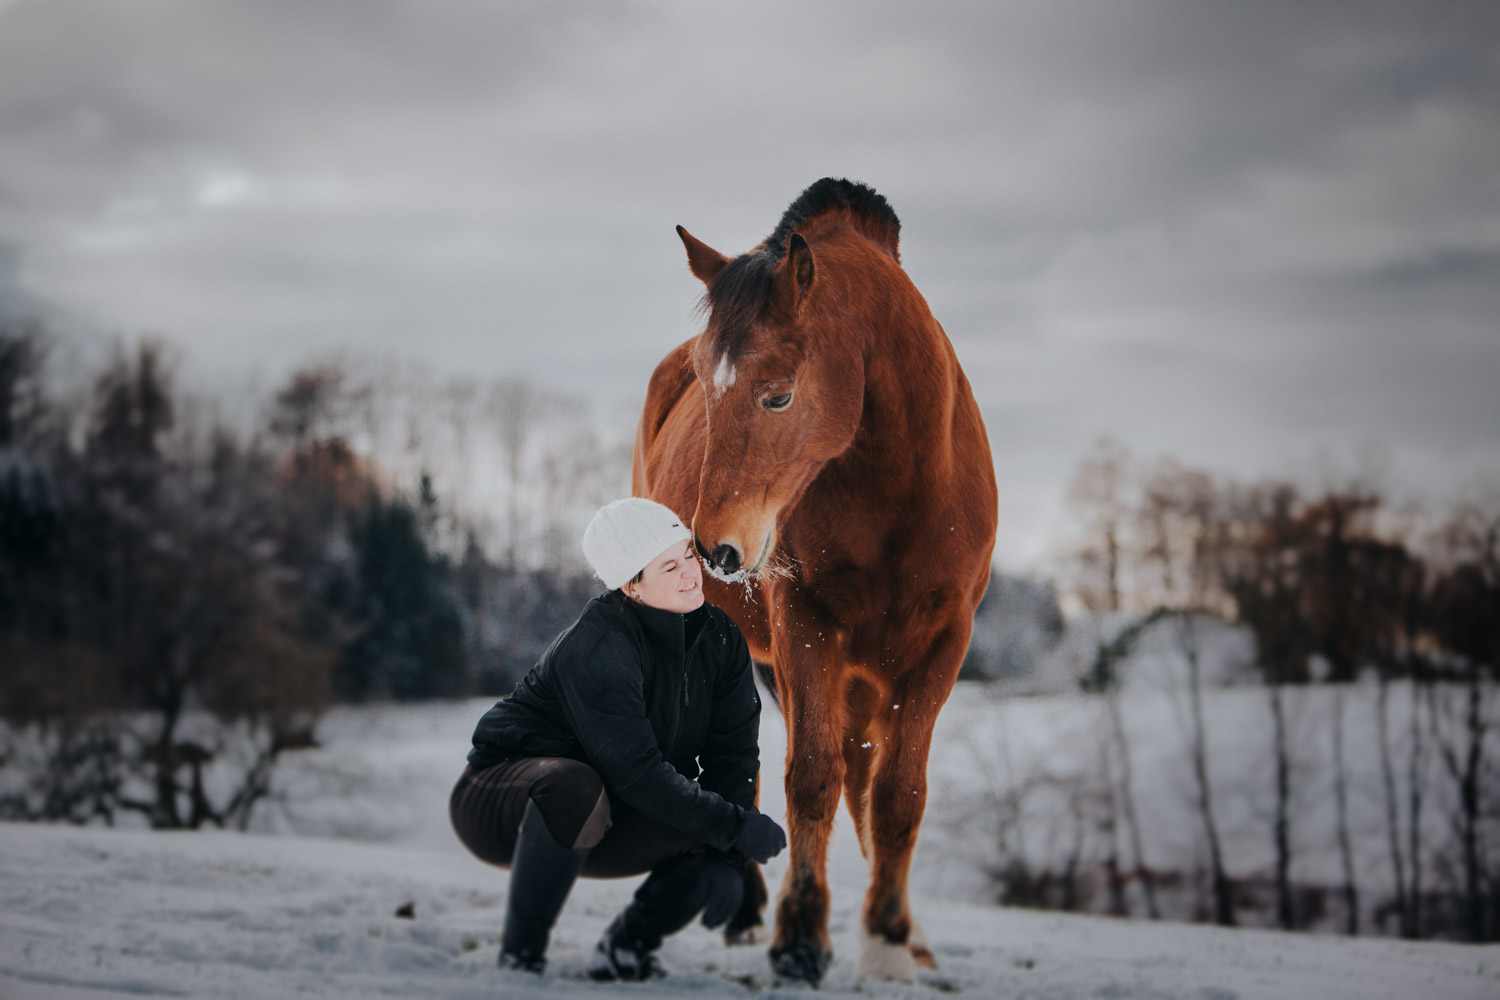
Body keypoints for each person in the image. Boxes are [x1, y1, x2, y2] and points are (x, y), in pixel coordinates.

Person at [450, 497, 787, 979]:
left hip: (608, 808)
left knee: (704, 829)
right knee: (574, 784)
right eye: (668, 566)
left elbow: (731, 753)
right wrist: (735, 828)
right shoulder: (599, 644)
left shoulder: (722, 639)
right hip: (500, 800)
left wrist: (727, 857)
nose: (691, 573)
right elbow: (635, 771)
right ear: (632, 584)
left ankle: (626, 949)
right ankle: (520, 958)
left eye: (689, 555)